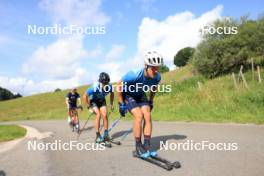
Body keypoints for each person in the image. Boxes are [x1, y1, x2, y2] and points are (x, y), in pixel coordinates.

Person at [116, 51, 163, 158]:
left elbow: (154, 88)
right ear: (146, 66)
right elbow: (119, 85)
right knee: (139, 115)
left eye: (158, 68)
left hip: (140, 95)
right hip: (128, 95)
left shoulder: (157, 77)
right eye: (153, 68)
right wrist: (121, 103)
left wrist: (151, 101)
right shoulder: (134, 74)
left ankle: (146, 144)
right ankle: (138, 145)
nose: (156, 70)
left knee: (147, 115)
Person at [83, 72, 114, 143]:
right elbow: (85, 96)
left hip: (102, 100)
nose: (105, 85)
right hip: (93, 101)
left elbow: (112, 93)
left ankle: (106, 135)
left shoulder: (109, 86)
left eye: (107, 83)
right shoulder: (95, 87)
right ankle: (98, 136)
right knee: (98, 114)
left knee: (105, 115)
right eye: (104, 83)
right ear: (100, 82)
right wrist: (89, 107)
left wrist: (111, 104)